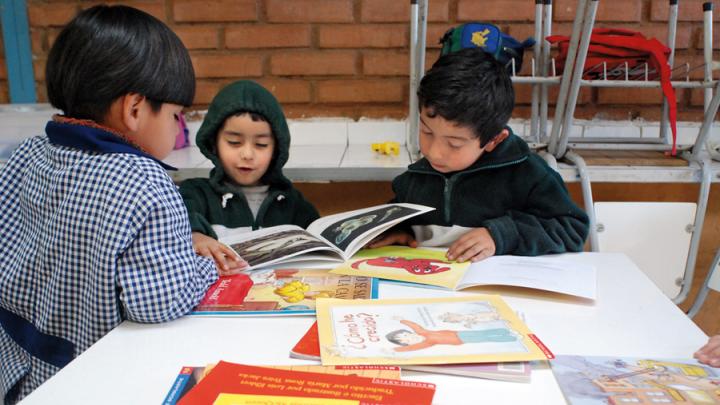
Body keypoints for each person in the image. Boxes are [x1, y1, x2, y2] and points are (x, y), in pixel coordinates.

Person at [0, 6, 218, 403]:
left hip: (16, 369)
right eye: (176, 115)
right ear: (134, 110)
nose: (178, 127)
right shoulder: (146, 181)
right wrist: (202, 268)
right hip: (90, 379)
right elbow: (157, 302)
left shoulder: (27, 153)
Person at [369, 48, 589, 262]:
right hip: (432, 290)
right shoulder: (416, 179)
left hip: (501, 288)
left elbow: (572, 228)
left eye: (454, 144)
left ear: (494, 140)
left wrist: (501, 234)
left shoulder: (529, 176)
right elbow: (404, 213)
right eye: (427, 132)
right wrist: (400, 229)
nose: (433, 152)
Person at [179, 80, 319, 271]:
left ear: (277, 149)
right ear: (213, 143)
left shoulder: (293, 204)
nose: (247, 154)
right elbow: (178, 225)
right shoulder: (195, 194)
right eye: (234, 142)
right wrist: (195, 236)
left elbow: (320, 247)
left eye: (261, 145)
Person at [386, 320, 518, 352]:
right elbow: (412, 349)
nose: (410, 337)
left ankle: (506, 331)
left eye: (406, 334)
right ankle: (512, 337)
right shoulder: (427, 341)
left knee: (482, 333)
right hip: (460, 339)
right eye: (406, 340)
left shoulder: (422, 332)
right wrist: (396, 350)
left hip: (459, 333)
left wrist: (403, 320)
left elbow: (415, 327)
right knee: (485, 337)